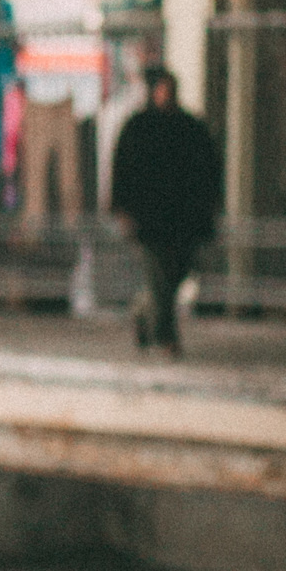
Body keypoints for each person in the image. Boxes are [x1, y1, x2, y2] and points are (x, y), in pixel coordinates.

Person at [107, 67, 221, 355]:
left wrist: (209, 207)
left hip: (184, 220)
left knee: (174, 275)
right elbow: (122, 170)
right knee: (159, 277)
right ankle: (166, 337)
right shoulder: (137, 127)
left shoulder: (191, 128)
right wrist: (121, 209)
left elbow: (208, 171)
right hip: (148, 219)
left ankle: (144, 313)